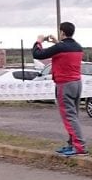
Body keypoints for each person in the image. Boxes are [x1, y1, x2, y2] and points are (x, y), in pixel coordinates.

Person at [32, 22, 87, 157]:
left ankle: (79, 146)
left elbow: (38, 54)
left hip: (64, 84)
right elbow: (63, 51)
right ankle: (72, 144)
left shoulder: (60, 47)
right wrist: (57, 42)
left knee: (69, 117)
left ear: (62, 32)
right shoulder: (77, 47)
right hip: (77, 83)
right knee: (73, 115)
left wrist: (38, 41)